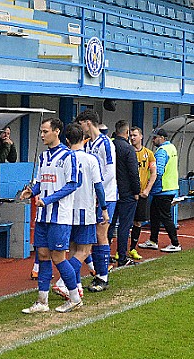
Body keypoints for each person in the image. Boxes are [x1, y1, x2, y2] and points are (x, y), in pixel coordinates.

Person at [20, 118, 81, 313]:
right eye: (41, 131)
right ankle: (42, 301)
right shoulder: (43, 157)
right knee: (43, 255)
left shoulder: (68, 156)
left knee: (58, 257)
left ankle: (74, 297)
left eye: (45, 131)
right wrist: (32, 191)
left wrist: (48, 200)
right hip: (42, 216)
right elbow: (40, 182)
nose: (42, 135)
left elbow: (73, 184)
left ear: (56, 131)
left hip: (60, 217)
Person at [52, 123, 108, 300]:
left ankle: (75, 287)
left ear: (66, 140)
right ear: (83, 138)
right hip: (85, 210)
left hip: (67, 211)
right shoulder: (91, 159)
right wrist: (104, 208)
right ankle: (62, 282)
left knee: (74, 249)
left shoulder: (63, 158)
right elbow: (98, 186)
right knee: (84, 251)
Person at [75, 109, 117, 292]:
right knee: (91, 236)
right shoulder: (88, 144)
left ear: (88, 123)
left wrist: (95, 190)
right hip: (92, 198)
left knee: (101, 235)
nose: (80, 128)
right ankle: (97, 273)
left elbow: (109, 171)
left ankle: (103, 276)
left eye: (81, 124)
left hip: (106, 196)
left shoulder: (106, 144)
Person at [139, 128, 181, 252]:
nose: (153, 140)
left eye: (155, 137)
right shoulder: (172, 148)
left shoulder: (161, 151)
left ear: (162, 138)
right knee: (155, 215)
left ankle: (175, 243)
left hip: (163, 189)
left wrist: (149, 186)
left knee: (165, 216)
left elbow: (158, 171)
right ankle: (153, 240)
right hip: (169, 187)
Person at [107, 120, 140, 267]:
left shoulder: (110, 146)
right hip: (126, 192)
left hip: (110, 191)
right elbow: (134, 173)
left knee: (109, 224)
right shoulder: (128, 149)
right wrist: (136, 191)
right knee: (124, 226)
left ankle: (105, 255)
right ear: (126, 133)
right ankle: (121, 256)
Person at [128, 126, 156, 259]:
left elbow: (154, 173)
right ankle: (119, 250)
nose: (132, 138)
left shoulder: (149, 154)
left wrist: (147, 190)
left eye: (134, 135)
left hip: (142, 194)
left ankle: (132, 248)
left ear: (141, 136)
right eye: (131, 135)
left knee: (138, 222)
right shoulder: (127, 152)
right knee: (125, 222)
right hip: (128, 194)